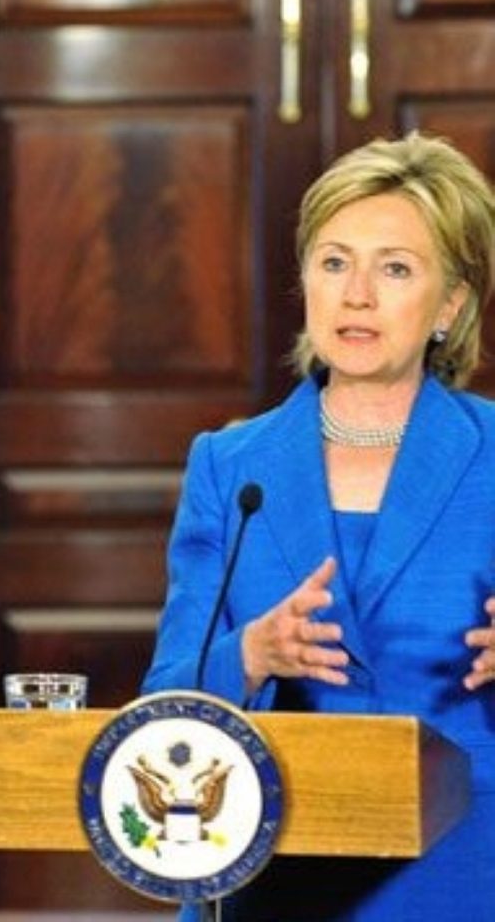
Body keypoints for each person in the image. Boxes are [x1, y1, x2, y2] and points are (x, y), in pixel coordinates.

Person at [140, 131, 495, 921]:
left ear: (450, 304)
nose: (356, 293)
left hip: (468, 860)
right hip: (275, 860)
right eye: (334, 262)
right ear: (305, 279)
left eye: (395, 268)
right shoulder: (231, 466)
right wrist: (255, 653)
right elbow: (167, 697)